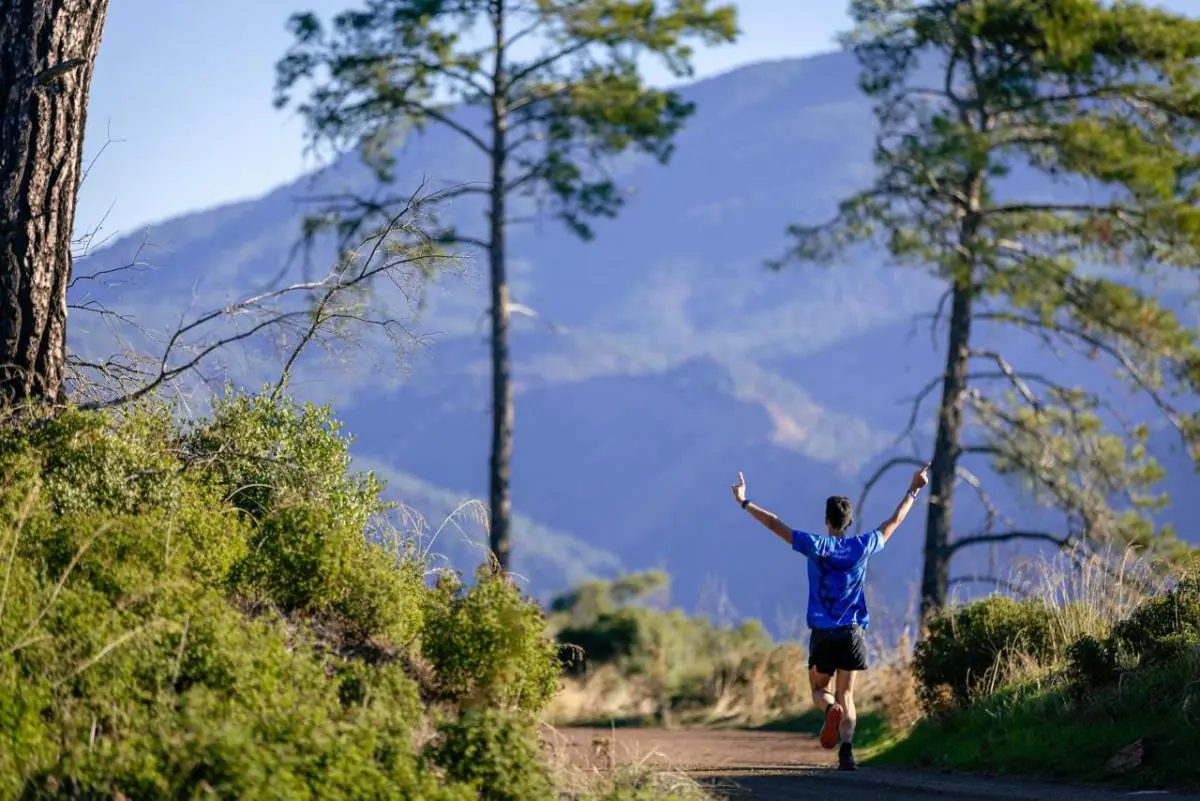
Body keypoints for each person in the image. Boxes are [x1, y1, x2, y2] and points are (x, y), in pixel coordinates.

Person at [730, 463, 930, 771]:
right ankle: (847, 752)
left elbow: (774, 524)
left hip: (823, 632)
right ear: (849, 522)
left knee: (818, 690)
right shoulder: (861, 546)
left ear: (827, 520)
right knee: (847, 693)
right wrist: (914, 489)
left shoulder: (814, 545)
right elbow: (895, 521)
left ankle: (830, 710)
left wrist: (744, 501)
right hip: (852, 632)